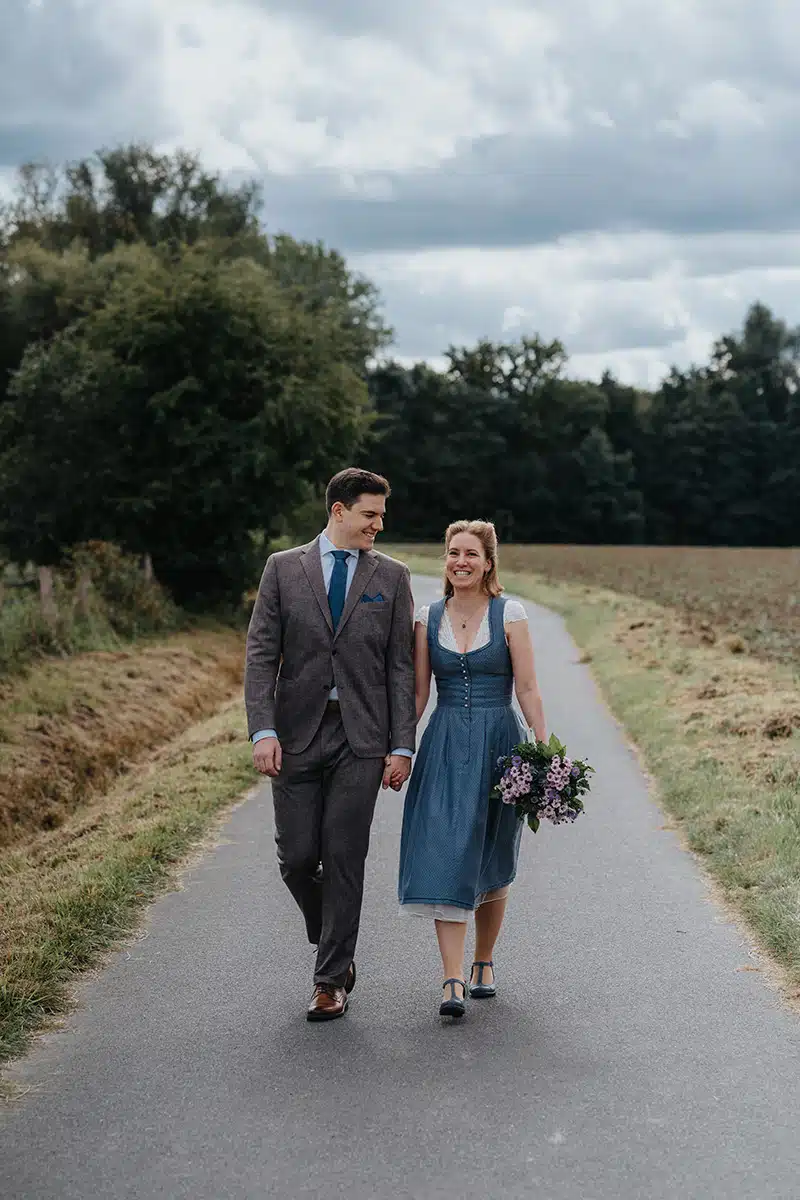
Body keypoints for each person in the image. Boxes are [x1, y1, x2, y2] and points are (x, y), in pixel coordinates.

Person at [245, 468, 416, 1022]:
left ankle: (329, 980)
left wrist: (402, 745)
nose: (378, 524)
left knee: (345, 856)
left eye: (381, 515)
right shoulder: (282, 569)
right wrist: (263, 729)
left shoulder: (391, 576)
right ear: (338, 511)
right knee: (297, 859)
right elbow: (261, 655)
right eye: (370, 514)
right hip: (295, 734)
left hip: (362, 738)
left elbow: (399, 669)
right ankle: (333, 938)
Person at [398, 520, 546, 1019]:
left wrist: (544, 754)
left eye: (470, 554)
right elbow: (419, 693)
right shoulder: (428, 615)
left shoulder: (510, 613)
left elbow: (526, 688)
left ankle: (484, 961)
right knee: (444, 847)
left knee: (492, 850)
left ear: (488, 563)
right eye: (452, 552)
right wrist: (400, 747)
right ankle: (452, 977)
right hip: (444, 743)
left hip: (500, 741)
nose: (460, 561)